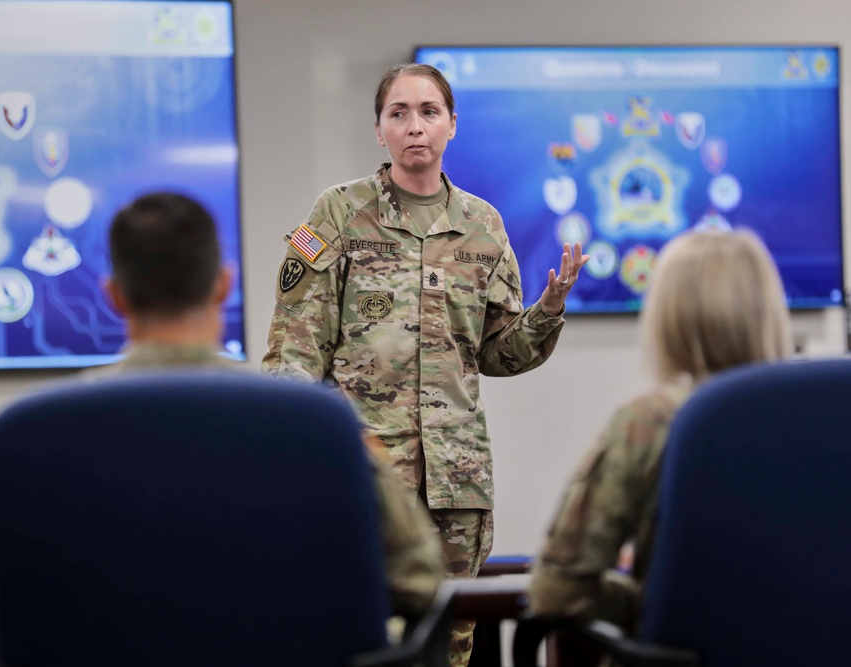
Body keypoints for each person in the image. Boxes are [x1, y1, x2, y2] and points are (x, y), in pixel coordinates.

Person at [0, 192, 444, 637]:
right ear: (222, 285)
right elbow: (419, 578)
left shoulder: (29, 437)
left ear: (114, 296)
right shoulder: (319, 428)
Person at [262, 62, 589, 665]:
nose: (415, 127)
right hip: (363, 474)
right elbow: (294, 353)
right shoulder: (338, 213)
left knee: (454, 640)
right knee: (358, 632)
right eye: (399, 113)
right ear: (379, 130)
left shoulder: (483, 225)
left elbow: (497, 353)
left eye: (429, 112)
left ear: (452, 126)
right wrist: (296, 462)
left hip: (455, 480)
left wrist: (547, 311)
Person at [527, 228, 793, 631]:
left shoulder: (650, 423)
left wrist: (651, 595)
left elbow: (557, 591)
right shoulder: (827, 423)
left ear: (667, 318)